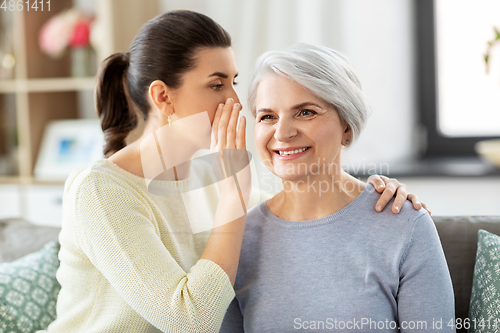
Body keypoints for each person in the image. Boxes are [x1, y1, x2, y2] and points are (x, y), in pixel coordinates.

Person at [41, 11, 428, 333]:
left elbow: (296, 210)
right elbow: (191, 321)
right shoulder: (101, 191)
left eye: (233, 82)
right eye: (216, 85)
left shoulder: (207, 177)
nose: (234, 100)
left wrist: (373, 190)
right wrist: (233, 195)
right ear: (162, 97)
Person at [220, 44, 454, 333]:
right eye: (268, 116)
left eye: (305, 112)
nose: (282, 133)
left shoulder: (405, 225)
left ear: (346, 126)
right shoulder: (237, 239)